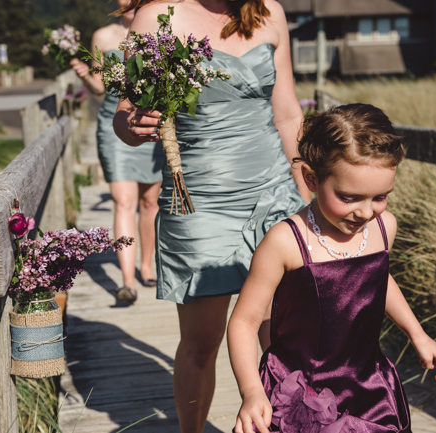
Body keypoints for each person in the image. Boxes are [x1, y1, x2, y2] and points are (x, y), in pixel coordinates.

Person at [112, 0, 311, 431]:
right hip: (199, 198)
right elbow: (125, 113)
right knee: (202, 343)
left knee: (283, 336)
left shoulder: (269, 11)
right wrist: (133, 125)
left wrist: (303, 190)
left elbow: (288, 112)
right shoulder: (157, 17)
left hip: (275, 191)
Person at [227, 104, 436, 433]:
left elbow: (377, 280)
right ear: (312, 179)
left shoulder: (384, 227)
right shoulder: (286, 241)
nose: (365, 212)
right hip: (303, 393)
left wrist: (418, 334)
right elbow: (244, 322)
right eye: (349, 197)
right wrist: (252, 391)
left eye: (380, 197)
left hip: (369, 386)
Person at [71, 0, 165, 303]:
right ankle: (127, 281)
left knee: (150, 203)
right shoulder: (103, 36)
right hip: (116, 123)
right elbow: (99, 87)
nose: (128, 2)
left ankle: (147, 267)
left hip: (152, 124)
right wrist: (85, 75)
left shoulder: (162, 29)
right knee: (124, 202)